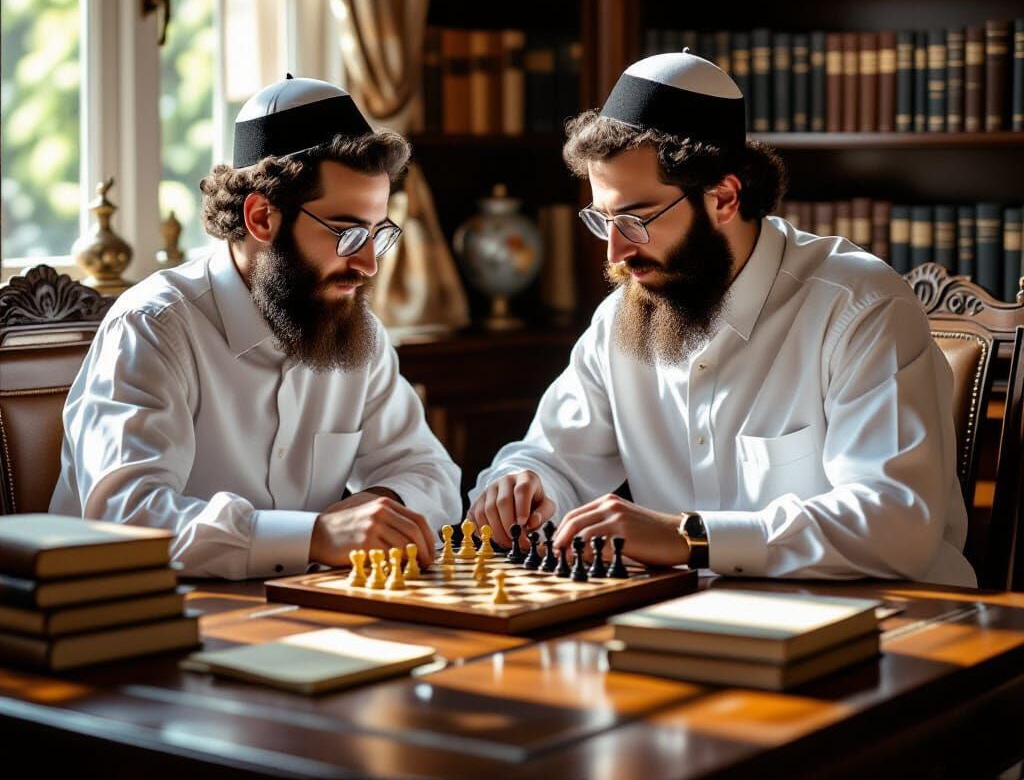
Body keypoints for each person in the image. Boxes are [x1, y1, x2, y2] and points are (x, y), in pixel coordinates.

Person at [468, 51, 975, 586]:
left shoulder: (859, 305)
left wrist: (690, 537)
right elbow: (552, 459)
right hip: (696, 616)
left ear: (724, 198)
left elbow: (895, 521)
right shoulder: (621, 317)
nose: (615, 252)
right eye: (604, 220)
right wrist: (522, 484)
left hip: (890, 618)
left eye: (636, 220)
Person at [51, 76, 460, 579]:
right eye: (348, 233)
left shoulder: (357, 330)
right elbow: (127, 516)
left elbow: (430, 472)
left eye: (377, 234)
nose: (368, 264)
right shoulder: (153, 326)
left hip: (299, 607)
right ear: (263, 217)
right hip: (137, 612)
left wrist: (379, 506)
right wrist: (315, 536)